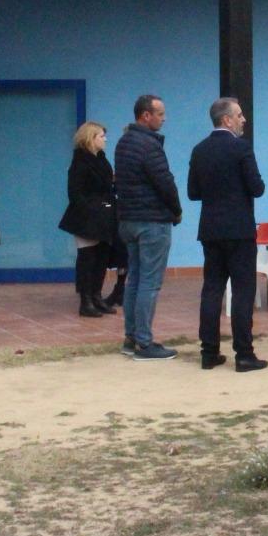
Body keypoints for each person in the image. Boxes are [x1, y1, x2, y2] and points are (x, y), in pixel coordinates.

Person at [187, 97, 268, 372]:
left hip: (210, 228)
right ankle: (244, 354)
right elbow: (257, 188)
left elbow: (193, 192)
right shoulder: (241, 149)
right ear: (227, 120)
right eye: (240, 115)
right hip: (240, 229)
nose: (244, 119)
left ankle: (209, 352)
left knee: (212, 289)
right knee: (243, 291)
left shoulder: (200, 150)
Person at [114, 94, 181, 362]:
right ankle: (144, 342)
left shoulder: (123, 142)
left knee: (135, 280)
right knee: (150, 283)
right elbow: (164, 181)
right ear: (145, 115)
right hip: (152, 221)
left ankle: (131, 338)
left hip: (128, 220)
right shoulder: (149, 145)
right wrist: (176, 210)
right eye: (160, 114)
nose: (164, 118)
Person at [58, 121, 120, 319]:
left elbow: (107, 186)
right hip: (86, 219)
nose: (105, 139)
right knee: (87, 258)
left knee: (102, 256)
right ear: (90, 138)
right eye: (101, 136)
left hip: (105, 217)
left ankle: (97, 295)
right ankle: (85, 300)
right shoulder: (80, 162)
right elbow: (75, 194)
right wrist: (94, 209)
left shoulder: (101, 159)